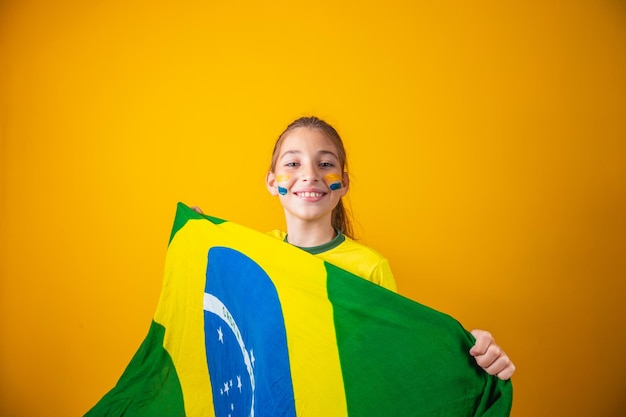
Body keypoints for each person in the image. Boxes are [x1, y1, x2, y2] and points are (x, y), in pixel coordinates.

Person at [194, 115, 515, 380]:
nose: (309, 175)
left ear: (343, 183)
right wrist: (196, 240)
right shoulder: (253, 256)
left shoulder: (369, 267)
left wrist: (465, 350)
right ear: (270, 182)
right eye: (293, 163)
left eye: (325, 164)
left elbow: (391, 356)